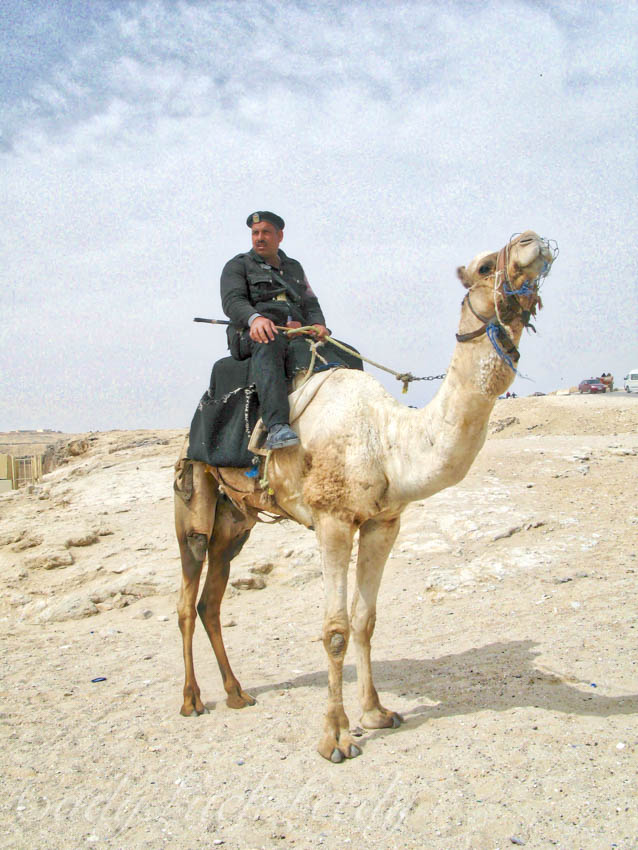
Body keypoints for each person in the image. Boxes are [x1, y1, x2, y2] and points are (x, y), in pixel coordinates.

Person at [220, 211, 329, 450]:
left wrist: (318, 325)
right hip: (251, 334)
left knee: (345, 352)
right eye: (255, 233)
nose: (259, 238)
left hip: (294, 334)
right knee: (269, 340)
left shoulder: (294, 268)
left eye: (265, 232)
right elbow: (233, 302)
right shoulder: (237, 265)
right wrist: (255, 318)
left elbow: (310, 302)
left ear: (279, 236)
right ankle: (277, 426)